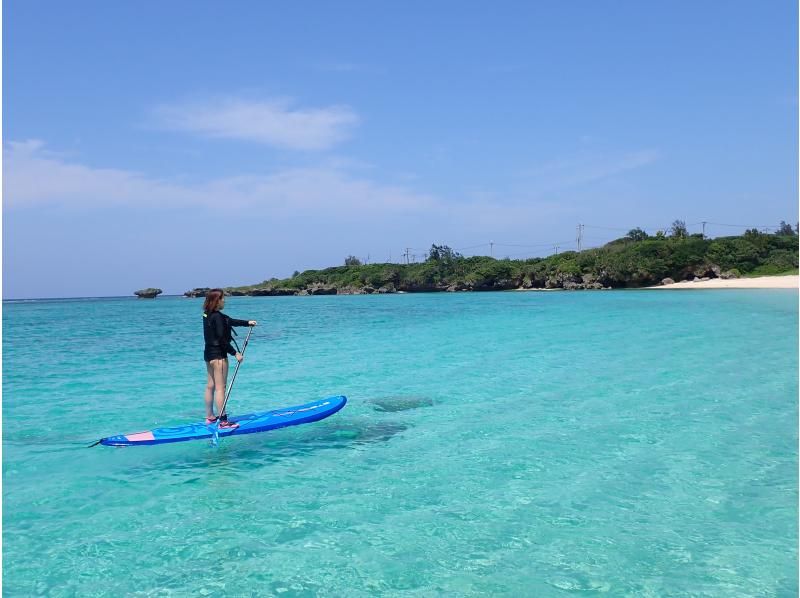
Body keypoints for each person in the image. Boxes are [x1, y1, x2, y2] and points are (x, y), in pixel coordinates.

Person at [202, 289, 257, 428]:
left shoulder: (207, 314)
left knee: (210, 386)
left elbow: (229, 321)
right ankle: (224, 421)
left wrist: (247, 322)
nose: (224, 300)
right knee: (221, 388)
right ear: (216, 301)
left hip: (208, 354)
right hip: (219, 356)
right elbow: (221, 339)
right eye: (222, 298)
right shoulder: (218, 317)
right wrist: (235, 353)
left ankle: (210, 417)